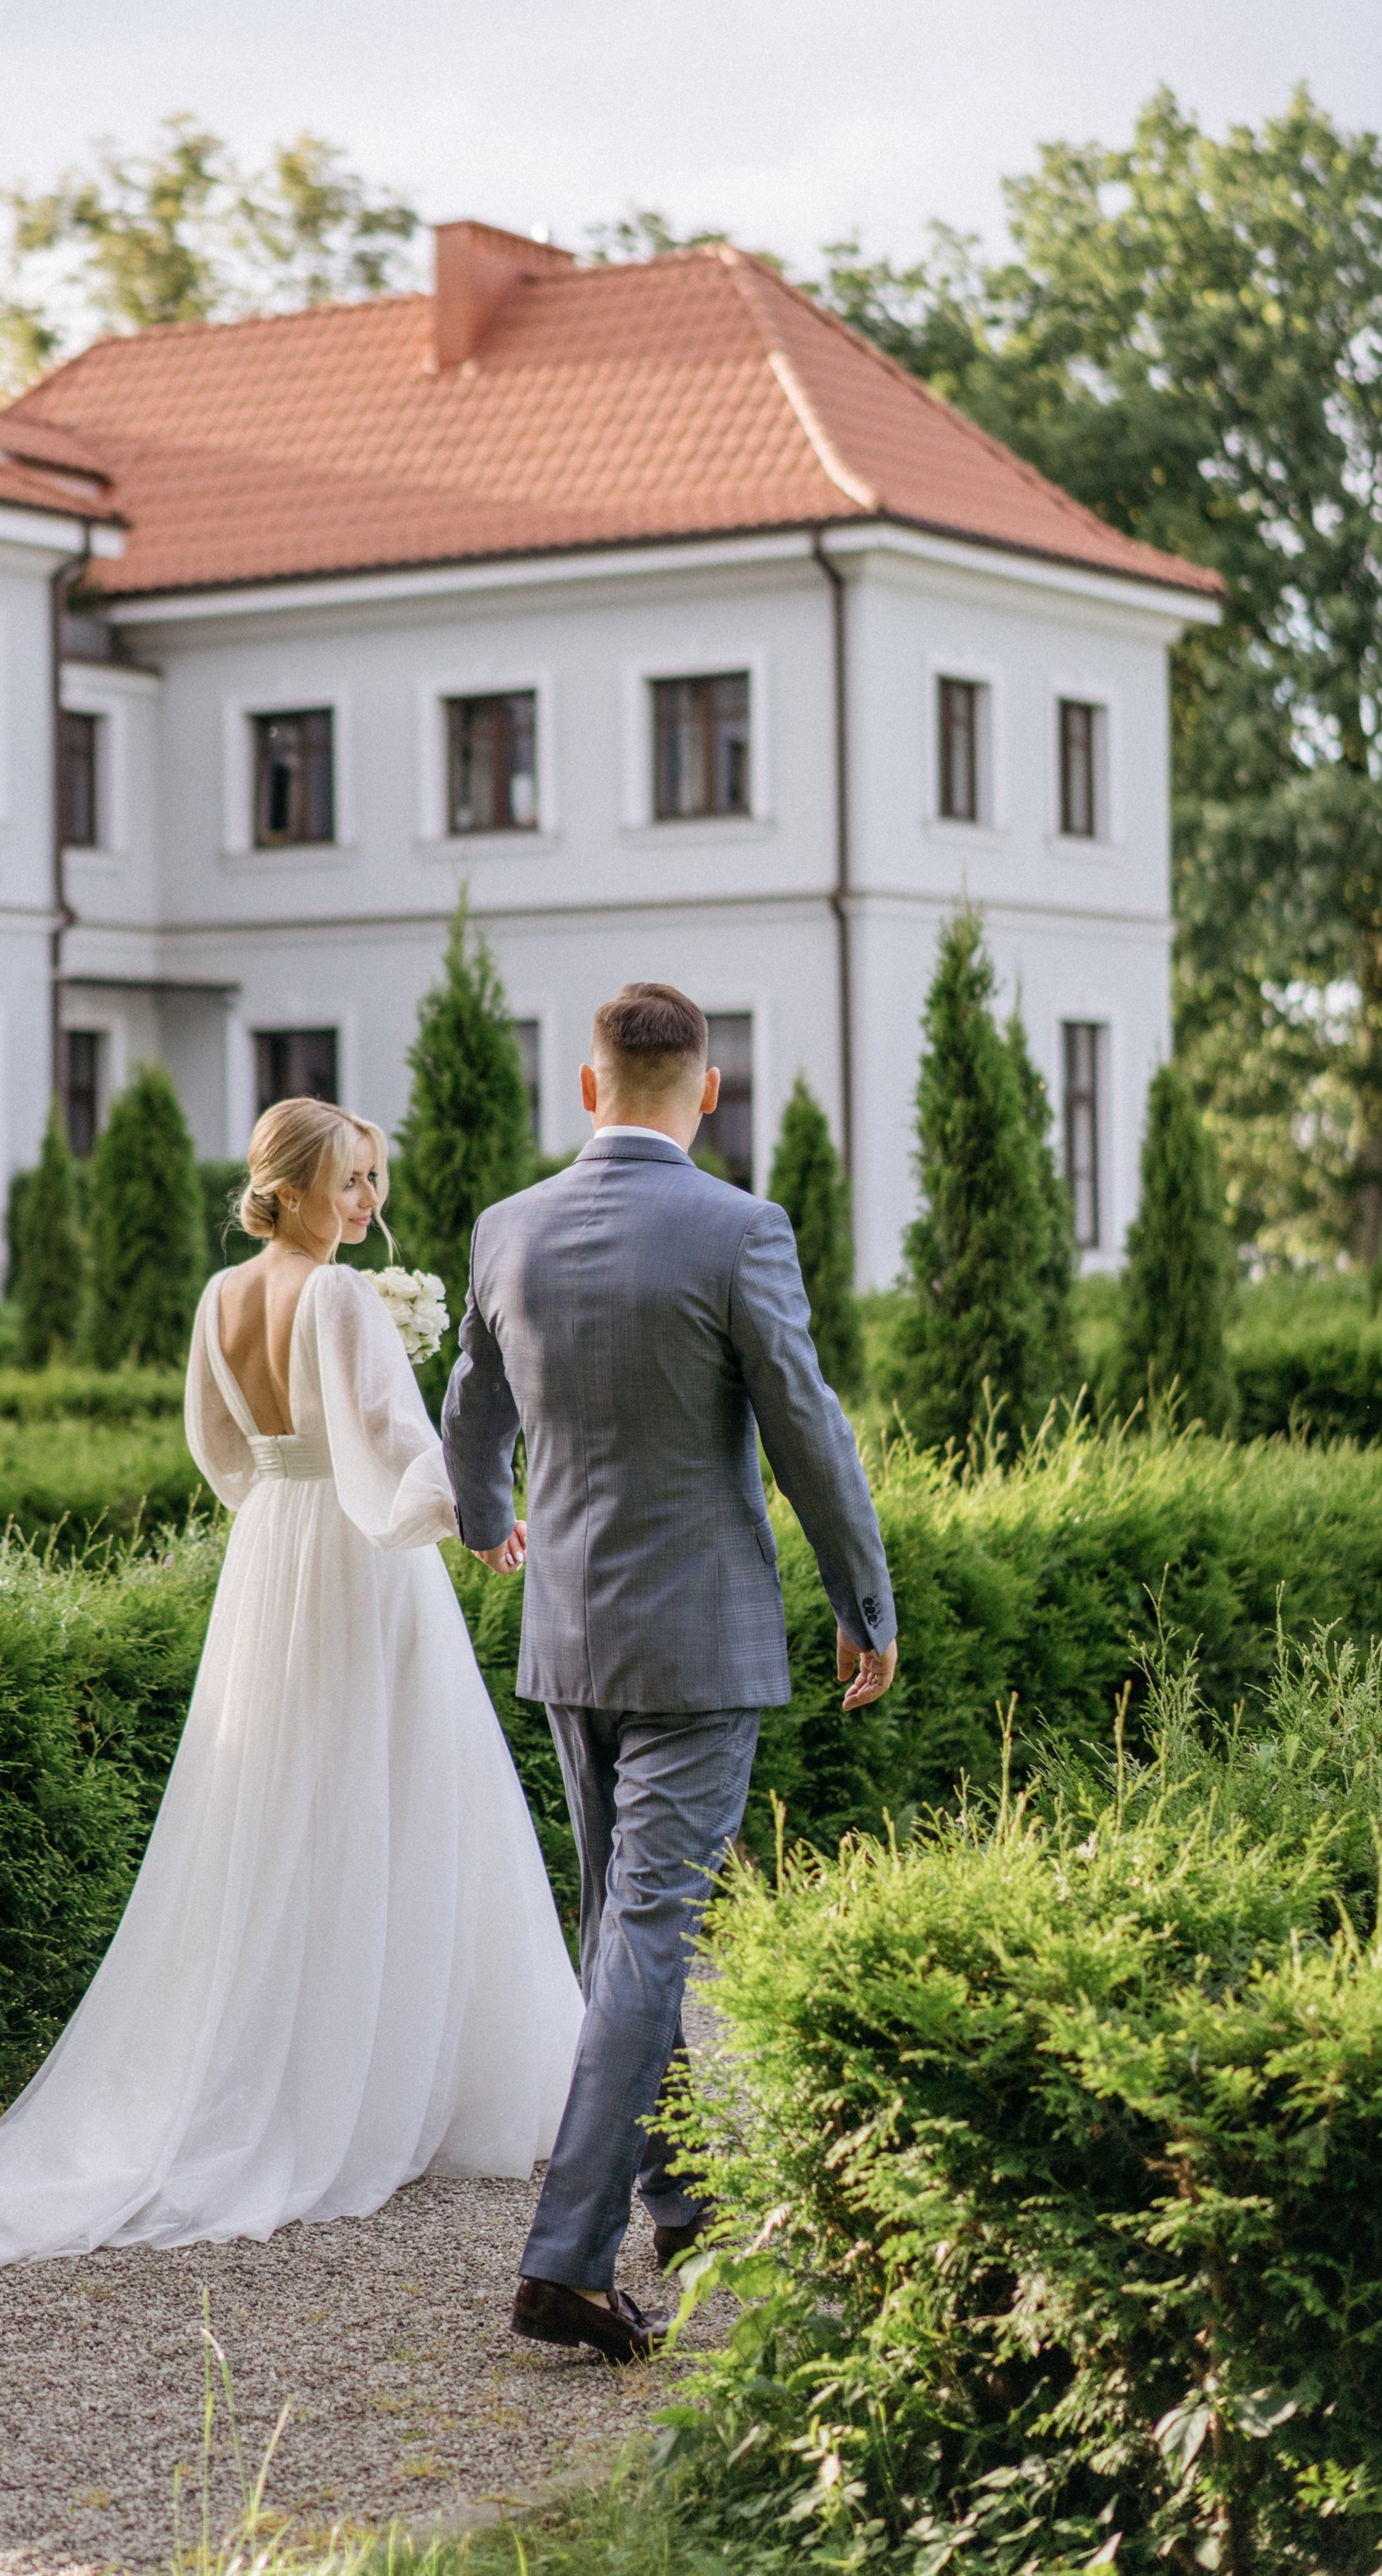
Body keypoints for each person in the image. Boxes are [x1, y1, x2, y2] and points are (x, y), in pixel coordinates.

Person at [0, 1097, 582, 2270]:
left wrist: (280, 1511)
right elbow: (387, 1443)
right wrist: (466, 1514)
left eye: (373, 1182)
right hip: (359, 1559)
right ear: (294, 1187)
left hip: (271, 1562)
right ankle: (378, 2081)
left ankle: (301, 2058)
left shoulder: (217, 1296)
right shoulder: (339, 1296)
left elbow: (218, 1449)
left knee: (276, 1799)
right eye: (352, 1181)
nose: (369, 1204)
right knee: (380, 1790)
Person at [442, 982, 900, 2364]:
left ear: (589, 1089)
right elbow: (808, 1430)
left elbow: (469, 1415)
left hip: (570, 1638)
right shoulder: (740, 1228)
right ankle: (567, 2256)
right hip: (702, 1645)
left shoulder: (503, 1230)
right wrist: (864, 1598)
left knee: (619, 1932)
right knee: (648, 1934)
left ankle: (682, 2193)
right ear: (708, 1092)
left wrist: (485, 1526)